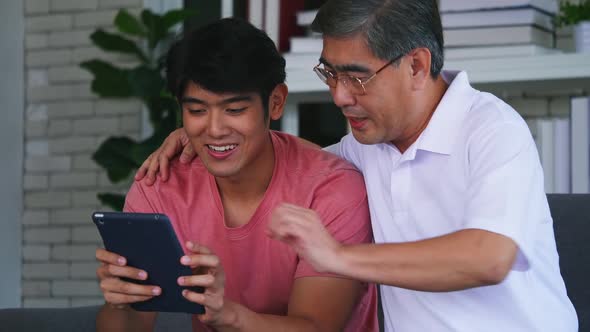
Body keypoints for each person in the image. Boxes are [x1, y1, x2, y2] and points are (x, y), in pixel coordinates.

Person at [135, 1, 578, 331]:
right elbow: (292, 161)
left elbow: (489, 256)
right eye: (331, 74)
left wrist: (339, 257)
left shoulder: (491, 127)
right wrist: (202, 135)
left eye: (357, 77)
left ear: (417, 66)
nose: (340, 96)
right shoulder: (362, 148)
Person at [95, 17, 378, 332]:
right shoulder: (159, 185)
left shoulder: (333, 189)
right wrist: (120, 301)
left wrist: (227, 315)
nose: (214, 130)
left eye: (234, 110)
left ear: (276, 102)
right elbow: (128, 325)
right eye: (198, 111)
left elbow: (317, 327)